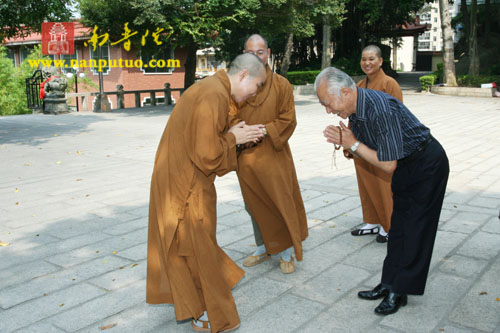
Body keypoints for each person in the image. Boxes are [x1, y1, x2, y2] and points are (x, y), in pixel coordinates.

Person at [146, 53, 267, 333]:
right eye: (257, 85)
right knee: (195, 249)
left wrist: (231, 133)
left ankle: (199, 305)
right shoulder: (214, 94)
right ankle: (214, 315)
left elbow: (203, 140)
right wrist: (234, 138)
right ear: (243, 76)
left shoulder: (213, 89)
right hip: (186, 186)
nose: (254, 94)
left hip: (180, 178)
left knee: (192, 247)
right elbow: (207, 154)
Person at [315, 67, 449, 315]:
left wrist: (351, 143)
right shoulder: (355, 109)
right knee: (398, 227)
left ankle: (401, 290)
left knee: (416, 228)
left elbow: (387, 164)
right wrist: (348, 140)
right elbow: (366, 146)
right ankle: (389, 282)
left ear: (345, 92)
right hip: (405, 165)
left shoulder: (380, 107)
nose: (328, 110)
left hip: (426, 163)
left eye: (327, 103)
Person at [228, 34, 308, 274]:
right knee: (252, 204)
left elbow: (288, 119)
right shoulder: (237, 85)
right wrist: (241, 133)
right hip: (246, 155)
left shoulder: (281, 84)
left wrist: (261, 131)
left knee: (279, 202)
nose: (255, 57)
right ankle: (262, 247)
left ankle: (286, 252)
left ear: (269, 53)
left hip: (274, 153)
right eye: (250, 53)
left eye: (260, 52)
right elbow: (229, 116)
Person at [348, 45, 403, 243]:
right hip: (362, 144)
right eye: (364, 59)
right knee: (366, 183)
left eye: (371, 59)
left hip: (382, 145)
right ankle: (372, 220)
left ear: (380, 61)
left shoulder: (390, 84)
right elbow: (351, 114)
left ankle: (389, 225)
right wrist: (349, 140)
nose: (367, 63)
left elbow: (397, 116)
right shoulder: (360, 86)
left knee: (384, 186)